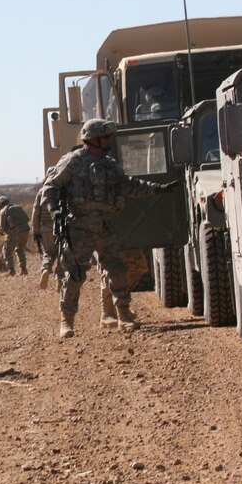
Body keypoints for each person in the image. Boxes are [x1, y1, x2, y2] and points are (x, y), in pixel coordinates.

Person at [42, 119, 179, 338]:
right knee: (75, 275)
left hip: (105, 227)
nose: (109, 141)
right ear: (93, 138)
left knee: (118, 271)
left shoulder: (111, 166)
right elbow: (51, 185)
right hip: (79, 227)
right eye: (105, 137)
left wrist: (158, 189)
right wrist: (55, 209)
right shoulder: (73, 162)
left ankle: (123, 316)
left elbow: (129, 185)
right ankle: (66, 322)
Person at [30, 169, 59, 290]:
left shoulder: (41, 192)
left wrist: (36, 231)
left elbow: (35, 213)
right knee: (63, 254)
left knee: (48, 252)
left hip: (46, 227)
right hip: (61, 227)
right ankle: (60, 279)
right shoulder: (62, 189)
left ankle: (46, 269)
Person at [0, 196, 30, 275]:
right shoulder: (18, 207)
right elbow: (27, 219)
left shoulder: (4, 211)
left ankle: (11, 271)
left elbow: (2, 227)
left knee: (6, 250)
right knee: (19, 249)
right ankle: (23, 269)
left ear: (0, 205)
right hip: (26, 231)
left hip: (15, 233)